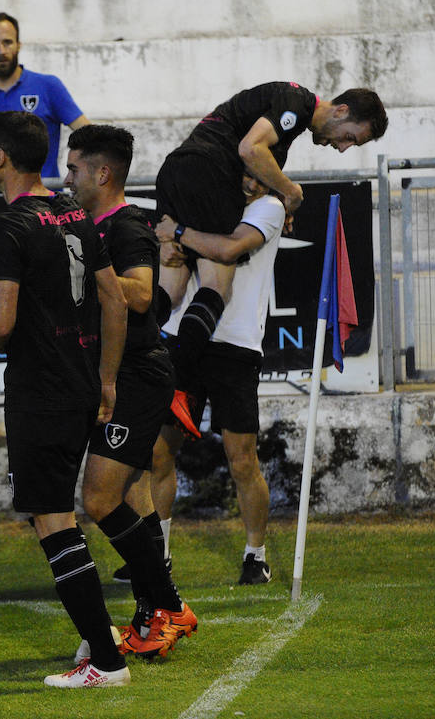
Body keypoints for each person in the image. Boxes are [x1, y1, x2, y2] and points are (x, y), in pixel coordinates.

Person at [0, 111, 130, 688]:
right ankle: (97, 636)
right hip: (81, 383)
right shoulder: (73, 211)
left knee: (53, 519)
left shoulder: (9, 225)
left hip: (41, 390)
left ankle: (105, 660)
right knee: (57, 514)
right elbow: (114, 302)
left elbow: (2, 321)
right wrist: (105, 380)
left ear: (0, 157)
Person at [156, 83, 387, 437]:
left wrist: (275, 190)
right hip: (205, 173)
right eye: (350, 138)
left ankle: (127, 364)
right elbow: (249, 149)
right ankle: (176, 385)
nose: (342, 148)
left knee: (170, 293)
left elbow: (252, 170)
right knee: (218, 287)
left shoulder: (282, 125)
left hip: (177, 171)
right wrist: (290, 191)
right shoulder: (294, 103)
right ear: (340, 111)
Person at [63, 124, 196, 660]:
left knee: (99, 498)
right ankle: (158, 608)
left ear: (102, 173)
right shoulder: (84, 224)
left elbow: (142, 295)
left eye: (74, 169)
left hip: (138, 375)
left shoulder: (127, 227)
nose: (66, 178)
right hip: (110, 374)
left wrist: (95, 274)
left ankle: (166, 605)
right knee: (117, 497)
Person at [134, 181, 287, 585]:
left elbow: (226, 249)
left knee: (242, 458)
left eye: (256, 173)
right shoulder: (200, 197)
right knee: (158, 452)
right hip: (182, 339)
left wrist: (179, 234)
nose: (247, 181)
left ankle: (256, 555)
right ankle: (158, 555)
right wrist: (167, 242)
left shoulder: (269, 207)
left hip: (235, 345)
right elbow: (167, 251)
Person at [0, 12, 90, 189]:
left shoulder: (48, 86)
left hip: (45, 202)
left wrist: (77, 171)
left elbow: (89, 135)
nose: (1, 51)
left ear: (19, 45)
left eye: (7, 42)